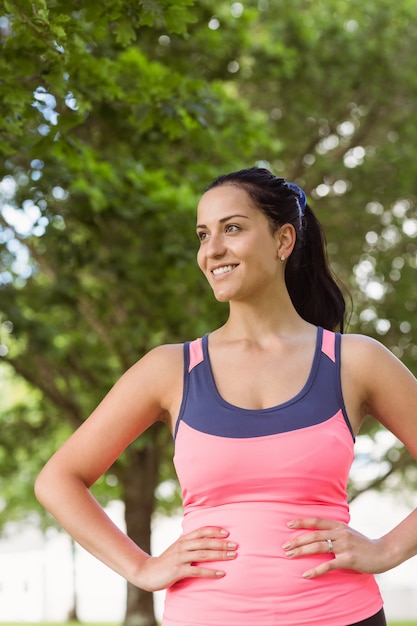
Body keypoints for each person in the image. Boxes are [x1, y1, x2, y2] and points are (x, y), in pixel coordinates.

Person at [35, 166, 417, 626]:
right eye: (202, 234)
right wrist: (141, 567)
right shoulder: (170, 369)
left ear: (283, 241)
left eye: (231, 228)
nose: (212, 250)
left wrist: (389, 548)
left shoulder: (355, 361)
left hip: (341, 615)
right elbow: (58, 479)